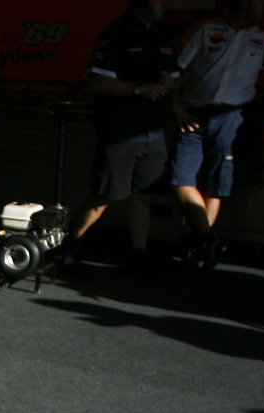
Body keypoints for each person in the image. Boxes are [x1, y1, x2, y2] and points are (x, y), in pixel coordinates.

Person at [67, 0, 179, 269]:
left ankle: (138, 253)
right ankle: (71, 243)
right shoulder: (116, 33)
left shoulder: (164, 34)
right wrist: (139, 89)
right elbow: (97, 81)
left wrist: (170, 82)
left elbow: (178, 76)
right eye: (160, 1)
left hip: (154, 127)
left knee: (144, 193)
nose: (166, 6)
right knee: (107, 193)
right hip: (121, 128)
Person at [170, 0, 264, 267]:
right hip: (193, 113)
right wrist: (177, 108)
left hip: (233, 117)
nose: (263, 10)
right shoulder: (206, 29)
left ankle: (202, 247)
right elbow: (176, 70)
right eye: (259, 4)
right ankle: (207, 237)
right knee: (180, 180)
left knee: (215, 185)